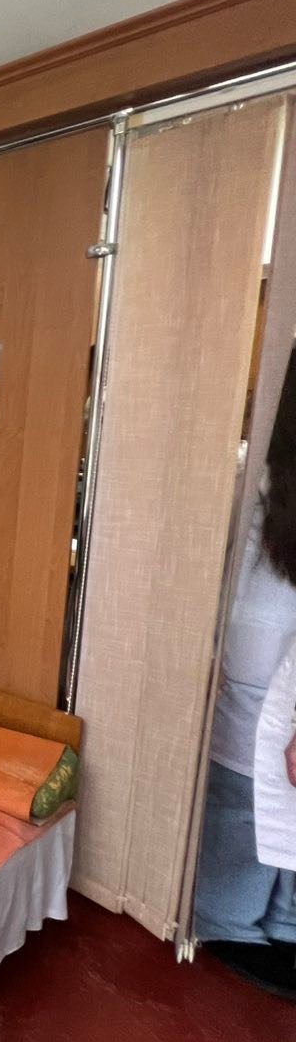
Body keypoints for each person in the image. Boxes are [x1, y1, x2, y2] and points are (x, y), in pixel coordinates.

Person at [195, 344, 296, 998]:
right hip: (248, 680)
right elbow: (211, 584)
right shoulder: (251, 487)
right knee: (243, 800)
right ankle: (229, 921)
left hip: (276, 674)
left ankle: (282, 922)